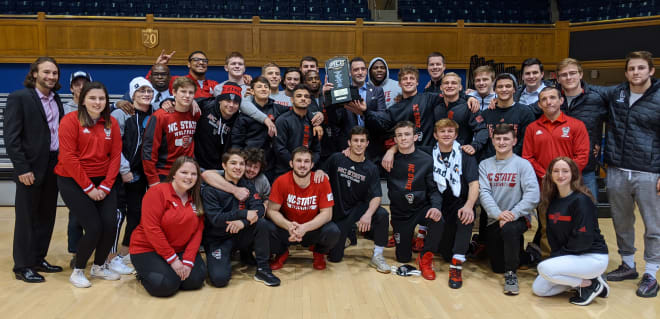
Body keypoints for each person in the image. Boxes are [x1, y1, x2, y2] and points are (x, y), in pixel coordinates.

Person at [603, 51, 660, 298]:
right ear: (626, 73)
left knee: (653, 225)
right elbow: (586, 90)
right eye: (632, 69)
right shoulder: (616, 93)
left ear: (651, 71)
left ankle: (651, 272)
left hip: (649, 171)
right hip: (617, 168)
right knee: (622, 220)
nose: (636, 72)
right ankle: (628, 264)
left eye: (641, 68)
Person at [55, 81, 123, 288]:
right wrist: (88, 189)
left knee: (110, 225)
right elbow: (68, 158)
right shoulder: (70, 121)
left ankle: (99, 266)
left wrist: (104, 186)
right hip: (73, 180)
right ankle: (78, 270)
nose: (97, 102)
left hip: (103, 181)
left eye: (101, 98)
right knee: (93, 227)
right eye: (92, 97)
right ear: (83, 99)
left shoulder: (111, 122)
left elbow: (115, 157)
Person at [5, 57, 65, 283]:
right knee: (27, 218)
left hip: (53, 164)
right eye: (46, 72)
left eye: (55, 73)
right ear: (35, 74)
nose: (51, 77)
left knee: (47, 215)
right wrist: (22, 168)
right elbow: (12, 138)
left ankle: (39, 258)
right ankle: (22, 266)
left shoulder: (56, 98)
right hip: (30, 167)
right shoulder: (19, 98)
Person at [523, 86, 590, 258]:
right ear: (539, 104)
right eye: (544, 99)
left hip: (571, 188)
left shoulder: (576, 125)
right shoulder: (532, 128)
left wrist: (564, 177)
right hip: (544, 186)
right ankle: (549, 264)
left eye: (552, 98)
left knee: (574, 226)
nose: (548, 102)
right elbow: (528, 157)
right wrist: (546, 175)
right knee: (547, 228)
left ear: (561, 101)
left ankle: (573, 263)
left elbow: (582, 156)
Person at [532, 157, 609, 306]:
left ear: (573, 174)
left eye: (565, 171)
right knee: (539, 289)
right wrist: (556, 258)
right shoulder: (551, 201)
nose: (560, 175)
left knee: (544, 268)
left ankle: (590, 284)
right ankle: (588, 282)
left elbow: (583, 239)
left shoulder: (581, 200)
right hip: (572, 257)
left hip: (592, 257)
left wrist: (557, 259)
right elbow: (553, 238)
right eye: (556, 171)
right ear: (550, 174)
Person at [202, 149, 280, 287]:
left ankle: (263, 269)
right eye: (233, 163)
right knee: (219, 279)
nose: (238, 167)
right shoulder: (210, 189)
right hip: (219, 238)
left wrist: (243, 222)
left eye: (241, 164)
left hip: (240, 234)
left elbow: (260, 208)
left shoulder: (247, 184)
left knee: (262, 224)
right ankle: (225, 256)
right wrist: (243, 214)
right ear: (224, 166)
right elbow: (216, 219)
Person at [129, 156, 206, 297]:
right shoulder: (157, 192)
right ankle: (142, 274)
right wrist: (174, 261)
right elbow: (152, 229)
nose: (189, 177)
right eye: (184, 172)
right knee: (165, 286)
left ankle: (170, 272)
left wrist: (188, 261)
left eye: (193, 174)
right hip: (147, 248)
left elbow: (198, 232)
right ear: (174, 174)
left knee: (195, 281)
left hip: (180, 249)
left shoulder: (196, 197)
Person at [317, 126, 390, 272]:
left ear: (367, 143)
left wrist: (368, 215)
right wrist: (320, 171)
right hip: (339, 212)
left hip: (358, 209)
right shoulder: (337, 158)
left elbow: (377, 196)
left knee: (382, 214)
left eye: (362, 141)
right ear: (349, 142)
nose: (359, 144)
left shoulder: (371, 168)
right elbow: (322, 169)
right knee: (335, 258)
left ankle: (377, 255)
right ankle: (347, 237)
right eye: (355, 140)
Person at [479, 124, 539, 295]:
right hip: (495, 218)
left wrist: (513, 214)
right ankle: (528, 255)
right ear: (492, 141)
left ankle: (511, 274)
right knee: (497, 266)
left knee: (510, 230)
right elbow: (484, 193)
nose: (502, 142)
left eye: (506, 138)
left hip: (518, 218)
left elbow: (533, 195)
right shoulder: (484, 165)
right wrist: (498, 214)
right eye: (498, 138)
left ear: (514, 141)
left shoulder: (523, 165)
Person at [108, 77, 157, 275]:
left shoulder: (156, 113)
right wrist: (124, 169)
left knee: (137, 213)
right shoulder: (121, 113)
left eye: (149, 91)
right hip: (122, 173)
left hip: (143, 172)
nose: (146, 95)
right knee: (118, 215)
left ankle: (124, 253)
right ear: (132, 94)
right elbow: (113, 145)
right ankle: (108, 259)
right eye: (141, 91)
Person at [265, 147, 340, 271]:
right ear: (291, 163)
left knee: (333, 231)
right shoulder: (281, 181)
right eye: (299, 161)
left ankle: (319, 253)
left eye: (306, 161)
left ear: (312, 165)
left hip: (311, 229)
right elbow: (272, 210)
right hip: (288, 229)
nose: (302, 165)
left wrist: (305, 228)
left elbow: (327, 214)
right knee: (265, 227)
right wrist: (288, 225)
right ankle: (281, 252)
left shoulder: (322, 181)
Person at [385, 121, 443, 280]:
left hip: (420, 209)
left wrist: (436, 207)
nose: (403, 138)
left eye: (407, 134)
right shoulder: (387, 159)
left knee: (438, 218)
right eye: (399, 135)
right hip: (400, 213)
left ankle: (425, 257)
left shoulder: (426, 160)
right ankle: (406, 237)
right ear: (395, 140)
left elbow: (434, 189)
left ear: (415, 137)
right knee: (402, 258)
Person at [430, 119, 479, 289]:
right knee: (445, 254)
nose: (446, 135)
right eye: (442, 132)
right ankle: (465, 247)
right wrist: (391, 150)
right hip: (441, 204)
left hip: (460, 202)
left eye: (450, 131)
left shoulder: (465, 155)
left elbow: (474, 184)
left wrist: (469, 205)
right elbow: (404, 147)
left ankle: (456, 266)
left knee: (466, 217)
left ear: (456, 135)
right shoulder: (430, 153)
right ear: (435, 135)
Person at [555, 58, 608, 198]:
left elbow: (616, 124)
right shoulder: (552, 99)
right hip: (557, 169)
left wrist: (600, 146)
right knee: (558, 216)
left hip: (586, 169)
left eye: (572, 73)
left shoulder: (596, 99)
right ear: (558, 78)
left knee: (588, 213)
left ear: (580, 74)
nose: (569, 77)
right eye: (564, 75)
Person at [142, 76, 200, 186]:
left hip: (188, 171)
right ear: (174, 92)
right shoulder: (160, 116)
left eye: (191, 92)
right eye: (183, 91)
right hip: (165, 172)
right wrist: (153, 179)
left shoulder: (195, 113)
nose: (187, 96)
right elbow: (149, 150)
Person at [63, 70, 92, 268]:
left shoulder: (98, 108)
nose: (80, 87)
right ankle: (76, 252)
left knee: (95, 215)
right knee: (76, 216)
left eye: (84, 83)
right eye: (77, 83)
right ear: (71, 87)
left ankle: (96, 250)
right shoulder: (63, 110)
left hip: (95, 169)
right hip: (72, 170)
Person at [481, 73, 536, 159]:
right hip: (490, 163)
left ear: (514, 89)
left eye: (508, 86)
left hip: (516, 162)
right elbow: (483, 142)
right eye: (500, 87)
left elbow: (526, 142)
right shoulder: (485, 114)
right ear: (495, 90)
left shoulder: (525, 113)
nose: (504, 89)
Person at [273, 84, 321, 177]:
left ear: (310, 101)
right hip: (285, 170)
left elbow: (317, 150)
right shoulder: (282, 120)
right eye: (299, 96)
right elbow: (279, 149)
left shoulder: (313, 122)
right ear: (292, 100)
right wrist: (297, 164)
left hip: (308, 171)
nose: (303, 99)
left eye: (306, 96)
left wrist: (309, 164)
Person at [194, 81, 241, 170]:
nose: (231, 105)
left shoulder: (238, 120)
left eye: (235, 102)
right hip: (198, 164)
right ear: (220, 100)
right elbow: (182, 102)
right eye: (228, 101)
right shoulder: (205, 105)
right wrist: (168, 101)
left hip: (220, 168)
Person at [152, 50, 219, 98]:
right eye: (196, 60)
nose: (201, 62)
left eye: (204, 61)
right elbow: (151, 84)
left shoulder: (214, 85)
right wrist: (158, 65)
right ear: (189, 64)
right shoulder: (177, 81)